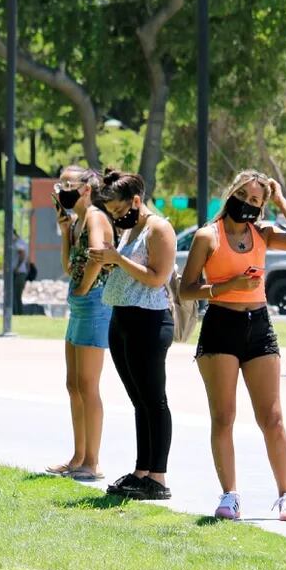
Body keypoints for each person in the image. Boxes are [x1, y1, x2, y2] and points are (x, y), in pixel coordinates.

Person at [180, 170, 286, 521]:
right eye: (246, 197)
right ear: (232, 193)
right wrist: (226, 286)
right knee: (224, 416)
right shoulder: (208, 236)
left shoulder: (263, 233)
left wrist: (280, 199)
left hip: (259, 326)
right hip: (221, 324)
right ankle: (230, 494)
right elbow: (187, 289)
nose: (250, 205)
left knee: (272, 417)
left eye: (257, 201)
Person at [88, 169, 176, 500]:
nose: (115, 216)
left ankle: (159, 477)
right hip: (123, 317)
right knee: (139, 400)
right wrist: (111, 260)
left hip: (149, 321)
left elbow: (157, 277)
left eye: (118, 209)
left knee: (154, 400)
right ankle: (142, 471)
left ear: (136, 201)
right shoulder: (132, 228)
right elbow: (130, 269)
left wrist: (116, 260)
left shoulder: (159, 228)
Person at [45, 166, 114, 481]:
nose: (63, 189)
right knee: (73, 385)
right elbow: (67, 265)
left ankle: (93, 461)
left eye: (68, 183)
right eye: (61, 183)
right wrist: (64, 234)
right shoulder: (76, 222)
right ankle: (78, 457)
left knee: (88, 385)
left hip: (94, 304)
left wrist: (85, 288)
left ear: (86, 188)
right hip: (78, 305)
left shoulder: (97, 217)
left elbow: (99, 254)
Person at [12, 229, 29, 315]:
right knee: (15, 296)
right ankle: (17, 314)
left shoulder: (18, 243)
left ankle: (18, 314)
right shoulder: (20, 242)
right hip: (20, 273)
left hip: (19, 273)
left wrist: (16, 268)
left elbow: (22, 254)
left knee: (16, 296)